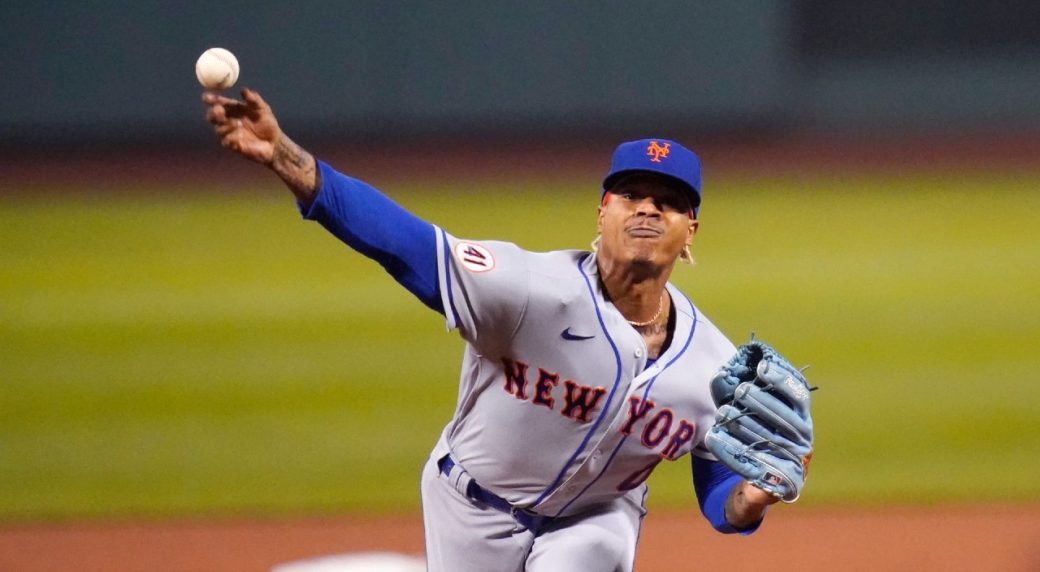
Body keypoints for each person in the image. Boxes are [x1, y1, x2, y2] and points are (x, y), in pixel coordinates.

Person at [203, 88, 795, 571]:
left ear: (690, 229)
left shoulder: (715, 365)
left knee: (592, 548)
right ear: (602, 212)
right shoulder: (527, 290)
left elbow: (720, 491)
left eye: (667, 202)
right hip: (469, 506)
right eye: (631, 195)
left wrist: (749, 499)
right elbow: (399, 240)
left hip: (596, 522)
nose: (646, 209)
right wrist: (283, 153)